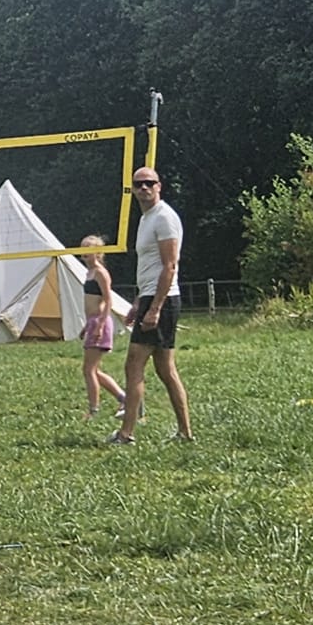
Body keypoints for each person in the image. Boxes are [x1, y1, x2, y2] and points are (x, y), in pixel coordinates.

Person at [109, 168, 193, 445]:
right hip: (151, 297)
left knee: (134, 364)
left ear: (160, 186)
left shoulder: (165, 218)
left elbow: (170, 265)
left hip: (164, 299)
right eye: (138, 184)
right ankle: (185, 433)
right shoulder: (146, 219)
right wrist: (139, 302)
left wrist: (155, 308)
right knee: (166, 369)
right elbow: (149, 267)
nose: (144, 188)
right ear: (132, 189)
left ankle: (127, 433)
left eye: (149, 183)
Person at [78, 235, 129, 420]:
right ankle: (124, 398)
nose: (84, 254)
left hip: (100, 322)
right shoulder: (88, 273)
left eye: (88, 250)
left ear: (97, 253)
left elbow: (108, 300)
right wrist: (87, 326)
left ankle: (93, 410)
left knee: (88, 369)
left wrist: (99, 325)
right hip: (92, 322)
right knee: (94, 370)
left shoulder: (100, 272)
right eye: (83, 249)